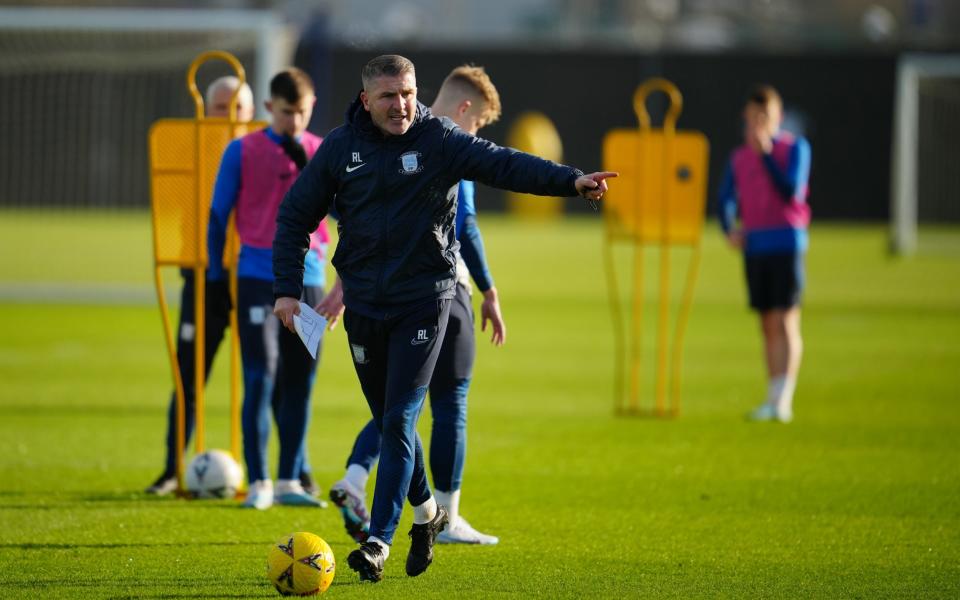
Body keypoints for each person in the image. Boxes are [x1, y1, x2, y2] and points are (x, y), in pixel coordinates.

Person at [272, 54, 615, 582]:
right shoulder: (342, 147)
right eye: (389, 96)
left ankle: (378, 541)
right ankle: (429, 515)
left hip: (424, 302)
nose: (401, 104)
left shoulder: (440, 139)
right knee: (392, 425)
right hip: (364, 306)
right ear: (367, 100)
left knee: (400, 419)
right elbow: (295, 215)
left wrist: (571, 181)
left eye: (408, 92)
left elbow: (505, 163)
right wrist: (287, 291)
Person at [321, 65, 507, 546]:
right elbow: (464, 226)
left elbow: (363, 229)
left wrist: (345, 284)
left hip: (381, 296)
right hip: (443, 293)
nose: (477, 133)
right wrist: (488, 289)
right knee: (447, 402)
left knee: (396, 402)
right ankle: (446, 514)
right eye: (480, 124)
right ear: (466, 111)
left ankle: (358, 478)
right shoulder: (448, 144)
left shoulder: (376, 144)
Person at [207, 67, 331, 509]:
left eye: (301, 112)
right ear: (267, 109)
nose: (294, 122)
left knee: (300, 383)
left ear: (311, 106)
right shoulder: (241, 151)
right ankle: (258, 481)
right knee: (260, 376)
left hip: (312, 280)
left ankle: (289, 481)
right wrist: (215, 279)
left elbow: (348, 215)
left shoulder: (322, 152)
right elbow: (218, 216)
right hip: (258, 277)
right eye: (285, 113)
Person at [146, 76, 255, 496]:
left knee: (266, 379)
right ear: (203, 109)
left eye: (237, 108)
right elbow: (170, 203)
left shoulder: (261, 150)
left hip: (251, 276)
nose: (227, 116)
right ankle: (171, 468)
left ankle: (280, 473)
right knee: (188, 375)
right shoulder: (188, 149)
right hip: (201, 275)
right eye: (219, 107)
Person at [717, 84, 811, 423]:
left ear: (777, 118)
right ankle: (772, 397)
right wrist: (729, 228)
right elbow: (726, 197)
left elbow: (791, 192)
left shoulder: (794, 148)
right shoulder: (740, 157)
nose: (757, 125)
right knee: (767, 323)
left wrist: (767, 154)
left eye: (764, 118)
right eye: (753, 118)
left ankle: (785, 397)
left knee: (786, 319)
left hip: (786, 242)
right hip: (756, 245)